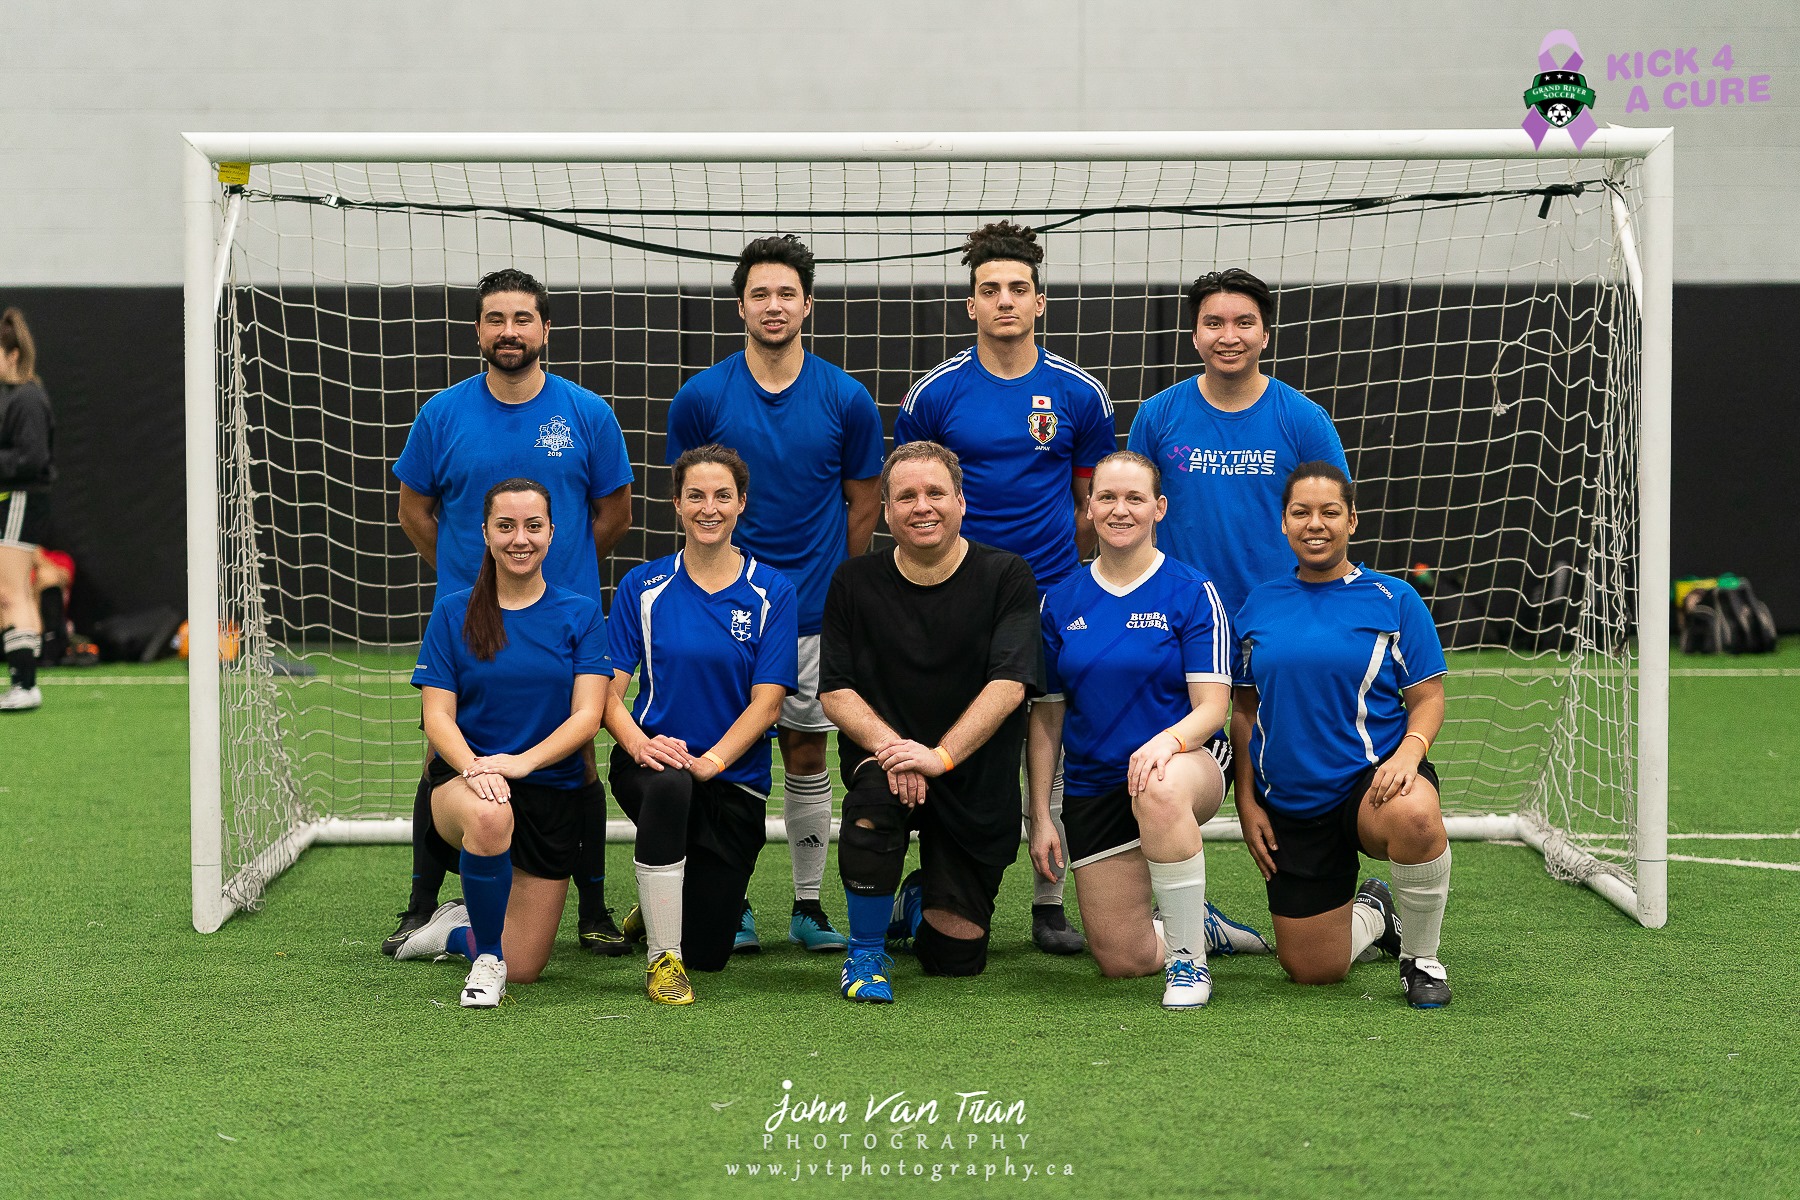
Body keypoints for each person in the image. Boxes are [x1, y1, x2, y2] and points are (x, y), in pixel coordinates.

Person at [387, 269, 635, 958]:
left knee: (579, 751)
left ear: (545, 329)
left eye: (523, 318)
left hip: (562, 621)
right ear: (478, 330)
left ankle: (593, 908)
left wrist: (556, 577)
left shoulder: (587, 413)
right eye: (495, 319)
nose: (509, 331)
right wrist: (474, 580)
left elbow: (614, 513)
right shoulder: (443, 414)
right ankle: (421, 905)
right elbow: (414, 510)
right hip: (474, 621)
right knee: (444, 747)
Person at [893, 221, 1115, 955]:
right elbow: (915, 496)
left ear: (1040, 302)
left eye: (1018, 288)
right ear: (971, 305)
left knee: (1049, 741)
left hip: (1050, 595)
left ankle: (1049, 904)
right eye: (990, 290)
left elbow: (1089, 505)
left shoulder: (1079, 394)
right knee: (957, 740)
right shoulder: (934, 394)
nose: (1005, 301)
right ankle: (931, 883)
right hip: (959, 595)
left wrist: (1063, 581)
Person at [665, 234, 883, 954]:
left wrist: (828, 584)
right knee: (720, 755)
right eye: (760, 293)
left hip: (812, 613)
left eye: (787, 293)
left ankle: (807, 905)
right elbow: (694, 497)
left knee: (806, 754)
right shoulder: (701, 397)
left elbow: (863, 503)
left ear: (808, 304)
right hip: (721, 612)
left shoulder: (846, 398)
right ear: (740, 307)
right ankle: (728, 902)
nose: (774, 305)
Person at [1028, 452, 1270, 1009]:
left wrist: (1165, 742)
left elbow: (1213, 709)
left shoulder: (1192, 591)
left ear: (1158, 508)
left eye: (1135, 498)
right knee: (1124, 960)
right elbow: (1047, 717)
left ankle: (1188, 962)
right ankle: (1198, 923)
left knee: (1158, 787)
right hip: (1095, 785)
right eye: (1107, 497)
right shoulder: (1059, 601)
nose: (1121, 510)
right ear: (1088, 508)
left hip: (1187, 764)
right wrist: (1040, 814)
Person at [820, 441, 1040, 1003]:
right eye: (906, 496)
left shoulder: (1006, 575)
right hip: (887, 764)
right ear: (886, 511)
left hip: (972, 775)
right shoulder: (853, 582)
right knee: (871, 808)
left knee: (954, 960)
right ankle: (865, 953)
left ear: (961, 502)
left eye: (935, 493)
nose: (922, 506)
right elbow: (836, 693)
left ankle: (917, 898)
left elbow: (1010, 685)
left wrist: (939, 757)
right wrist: (898, 751)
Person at [1230, 462, 1454, 1008]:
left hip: (1371, 782)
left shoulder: (1394, 599)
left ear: (1351, 520)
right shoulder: (1258, 604)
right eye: (1301, 512)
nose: (1315, 524)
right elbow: (1244, 710)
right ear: (1283, 522)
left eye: (1329, 512)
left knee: (1416, 814)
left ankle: (1421, 958)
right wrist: (1246, 800)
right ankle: (1374, 914)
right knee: (1313, 969)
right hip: (1291, 800)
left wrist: (1410, 754)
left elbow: (1428, 698)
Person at [391, 478, 609, 1008]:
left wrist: (522, 763)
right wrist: (476, 768)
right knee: (490, 817)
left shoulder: (581, 613)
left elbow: (588, 716)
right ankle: (486, 960)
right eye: (506, 526)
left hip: (549, 789)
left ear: (552, 533)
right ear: (485, 533)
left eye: (533, 526)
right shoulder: (453, 612)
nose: (520, 539)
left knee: (527, 966)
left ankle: (453, 929)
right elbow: (436, 716)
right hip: (467, 783)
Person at [603, 445, 798, 1004]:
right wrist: (638, 744)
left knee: (711, 951)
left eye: (721, 496)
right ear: (677, 504)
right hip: (653, 764)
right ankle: (663, 959)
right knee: (671, 786)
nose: (708, 508)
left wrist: (711, 762)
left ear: (741, 504)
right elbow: (605, 695)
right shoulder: (642, 587)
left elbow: (768, 705)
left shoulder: (772, 592)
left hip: (732, 778)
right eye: (695, 496)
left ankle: (658, 902)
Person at [1126, 268, 1350, 620]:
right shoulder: (1156, 415)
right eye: (1214, 323)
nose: (1229, 337)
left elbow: (1336, 522)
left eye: (1244, 323)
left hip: (1281, 617)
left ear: (1265, 335)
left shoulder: (1304, 419)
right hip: (1179, 614)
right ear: (1195, 336)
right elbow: (1134, 518)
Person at [0, 307, 55, 713]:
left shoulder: (28, 397)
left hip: (21, 499)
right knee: (8, 593)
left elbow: (33, 459)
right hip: (11, 500)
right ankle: (23, 681)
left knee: (11, 593)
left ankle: (25, 685)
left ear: (13, 353)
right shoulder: (10, 397)